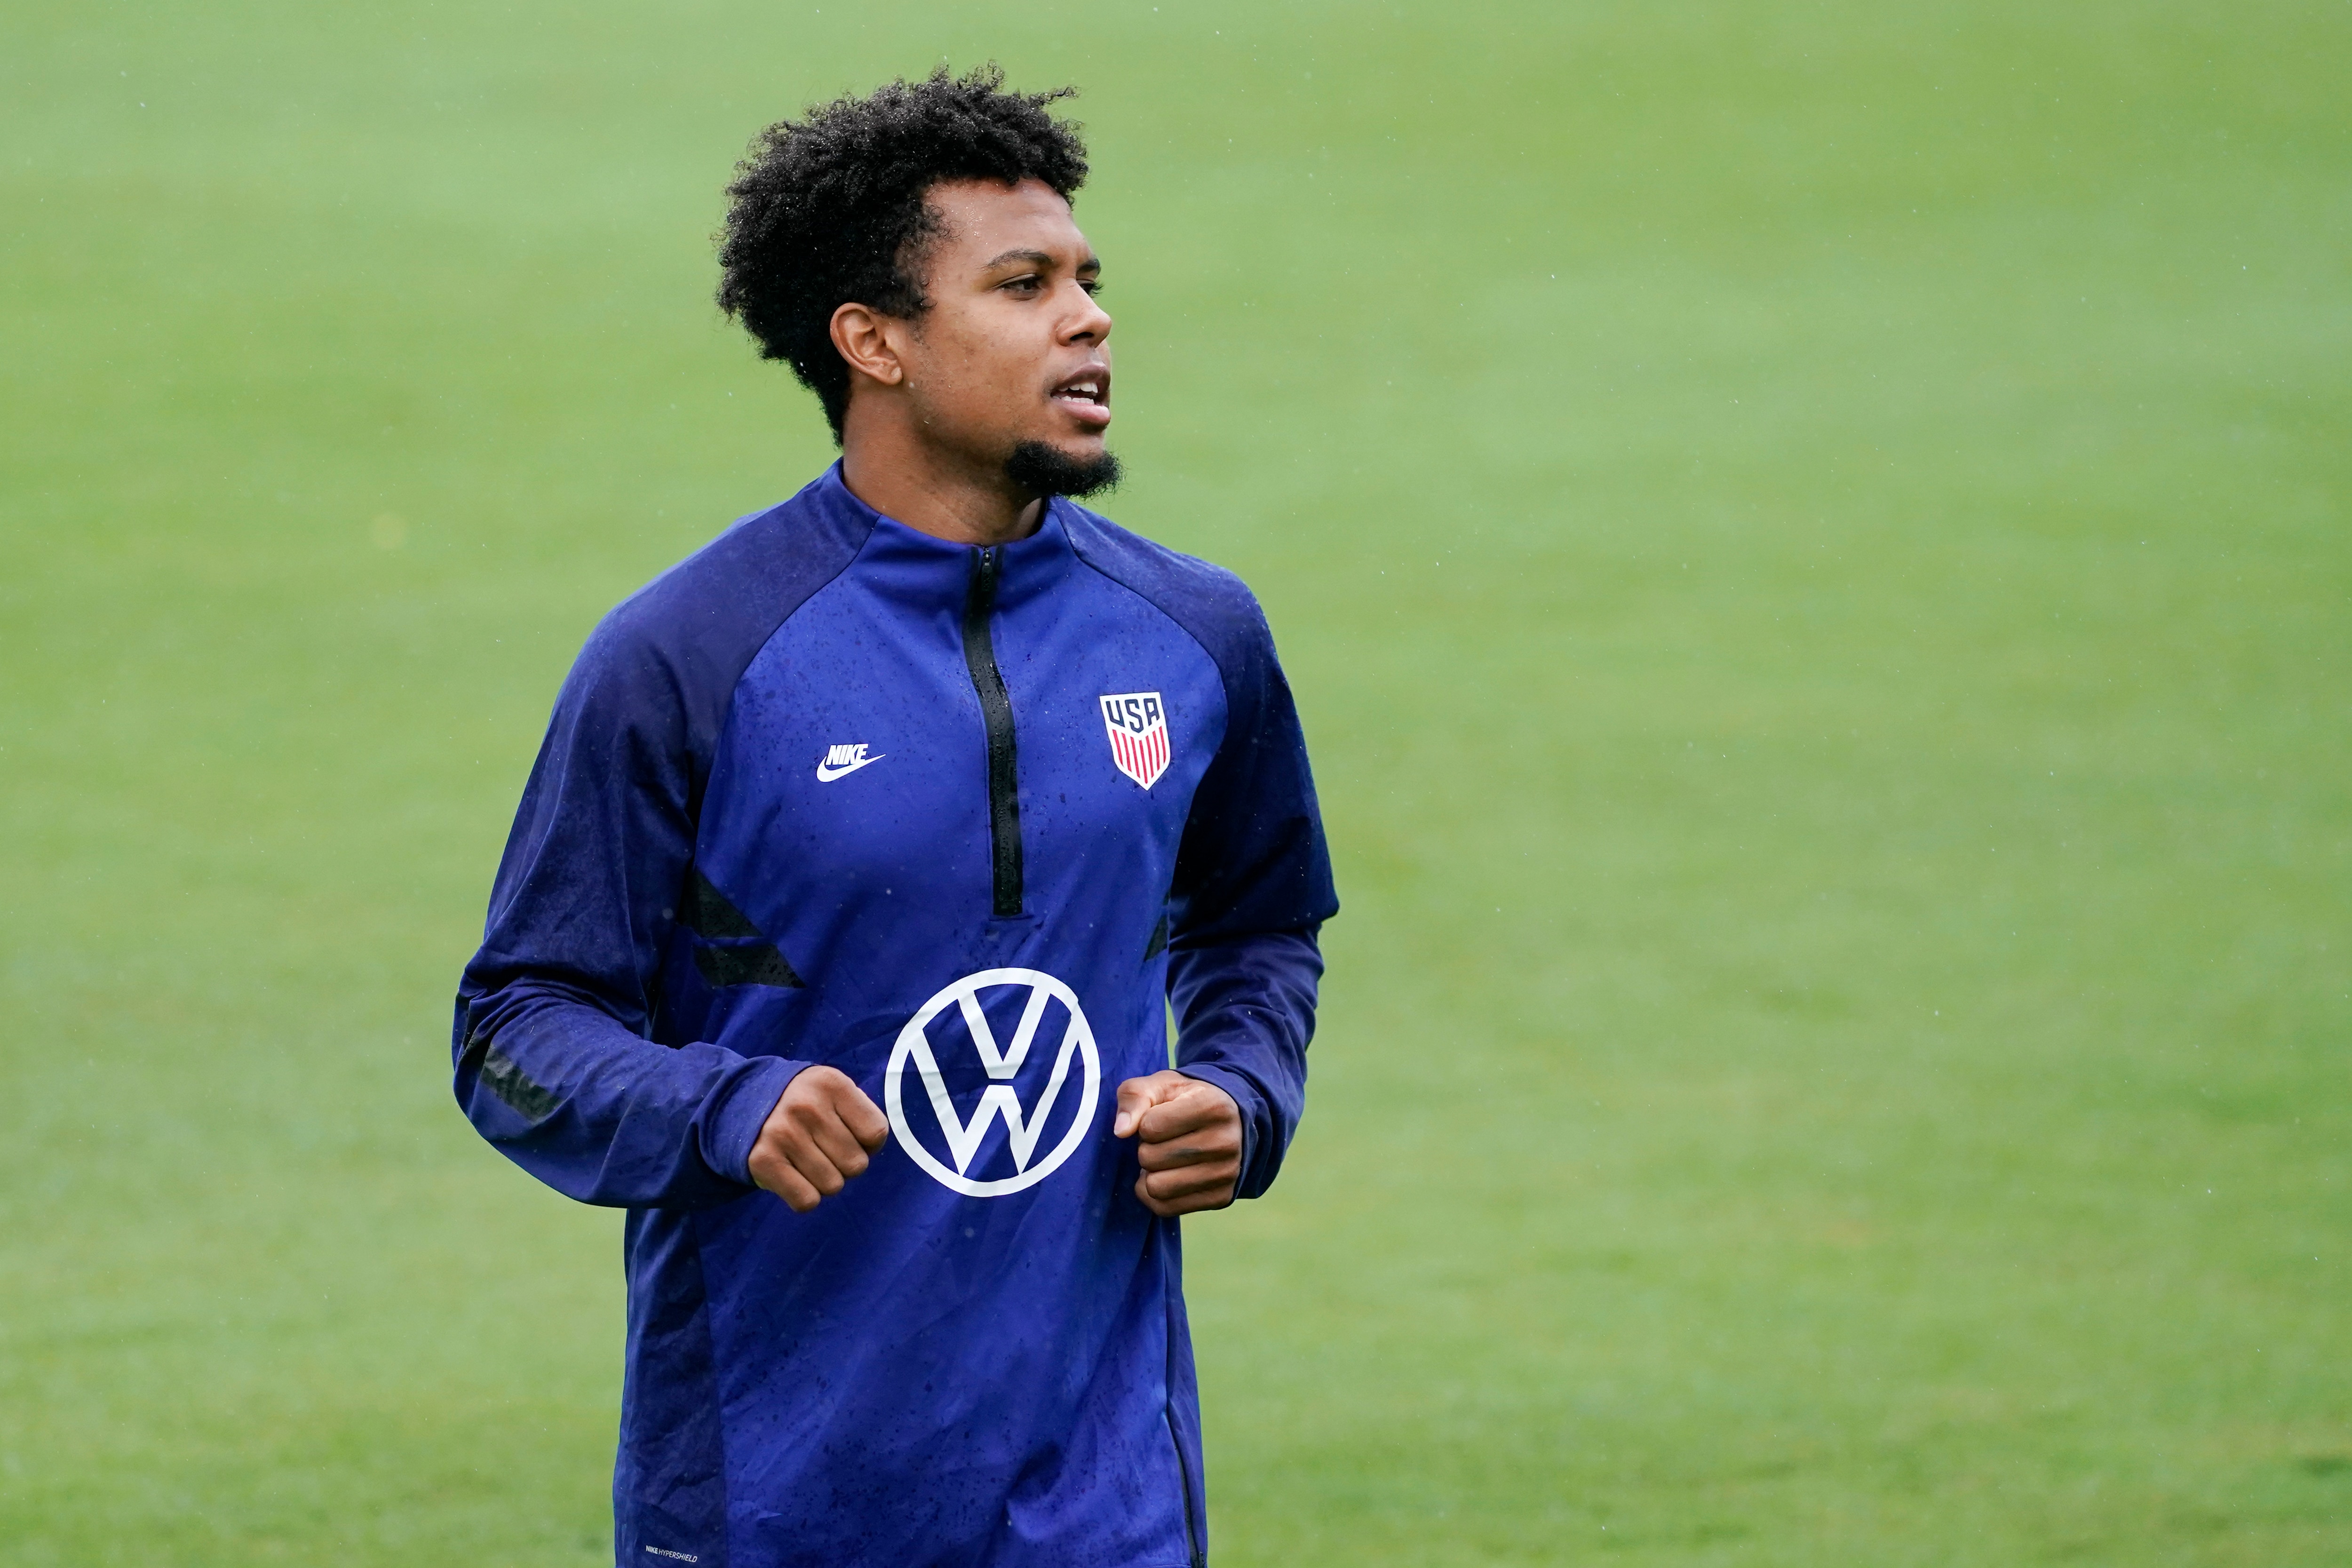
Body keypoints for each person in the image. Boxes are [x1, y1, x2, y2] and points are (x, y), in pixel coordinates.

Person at [452, 65, 1335, 1568]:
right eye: (1023, 286)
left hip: (1105, 1506)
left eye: (1088, 280)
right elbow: (514, 1032)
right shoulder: (689, 658)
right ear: (875, 342)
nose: (1089, 320)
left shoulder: (1196, 636)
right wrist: (721, 1107)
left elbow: (1259, 924)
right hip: (771, 1503)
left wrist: (1242, 1094)